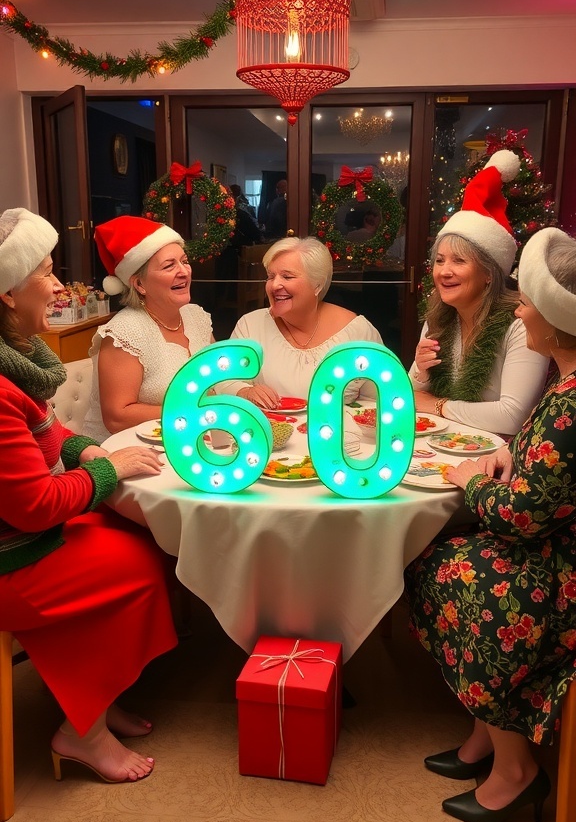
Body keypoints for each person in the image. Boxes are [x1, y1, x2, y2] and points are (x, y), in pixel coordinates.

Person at [406, 226, 576, 822]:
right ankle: (485, 735)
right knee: (435, 559)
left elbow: (524, 515)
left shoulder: (570, 401)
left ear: (552, 321)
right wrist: (507, 459)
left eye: (528, 301)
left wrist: (471, 480)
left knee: (463, 579)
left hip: (562, 575)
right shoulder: (566, 385)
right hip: (552, 545)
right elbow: (537, 459)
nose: (520, 308)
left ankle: (516, 770)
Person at [0, 208, 178, 784]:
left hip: (23, 543)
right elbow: (33, 506)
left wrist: (86, 452)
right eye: (46, 274)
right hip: (10, 562)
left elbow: (47, 430)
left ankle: (94, 698)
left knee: (134, 539)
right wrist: (111, 470)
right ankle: (81, 732)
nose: (58, 286)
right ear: (7, 295)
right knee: (137, 566)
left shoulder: (19, 363)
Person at [409, 150, 549, 435]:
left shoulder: (520, 323)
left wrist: (437, 405)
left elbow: (512, 416)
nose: (444, 271)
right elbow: (411, 396)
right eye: (439, 260)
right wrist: (420, 373)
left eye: (459, 261)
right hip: (442, 445)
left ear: (488, 273)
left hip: (498, 457)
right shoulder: (438, 319)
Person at [83, 215, 214, 442]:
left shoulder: (196, 317)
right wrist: (195, 413)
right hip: (126, 451)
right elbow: (117, 417)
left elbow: (214, 384)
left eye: (185, 261)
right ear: (139, 284)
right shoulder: (125, 332)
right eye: (169, 266)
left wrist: (241, 394)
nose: (184, 271)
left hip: (187, 440)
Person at [215, 235, 384, 408]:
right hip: (269, 433)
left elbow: (378, 397)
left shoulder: (358, 333)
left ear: (317, 284)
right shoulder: (250, 325)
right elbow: (222, 380)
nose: (274, 286)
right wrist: (244, 391)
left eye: (287, 277)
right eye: (271, 276)